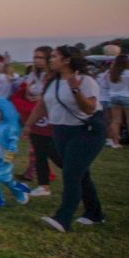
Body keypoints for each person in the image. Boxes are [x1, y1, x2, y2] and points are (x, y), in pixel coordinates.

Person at [20, 45, 106, 232]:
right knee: (81, 174)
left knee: (71, 174)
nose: (50, 59)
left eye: (54, 56)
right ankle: (95, 213)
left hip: (85, 132)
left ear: (67, 60)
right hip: (60, 131)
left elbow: (89, 109)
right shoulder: (53, 81)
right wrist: (28, 125)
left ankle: (63, 218)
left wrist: (76, 90)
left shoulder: (85, 80)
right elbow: (42, 105)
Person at [14, 46, 58, 196]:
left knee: (54, 152)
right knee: (38, 150)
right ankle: (43, 185)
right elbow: (28, 92)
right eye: (35, 57)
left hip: (51, 117)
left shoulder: (55, 76)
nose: (37, 60)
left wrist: (42, 97)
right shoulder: (34, 75)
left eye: (40, 57)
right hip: (36, 115)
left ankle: (77, 174)